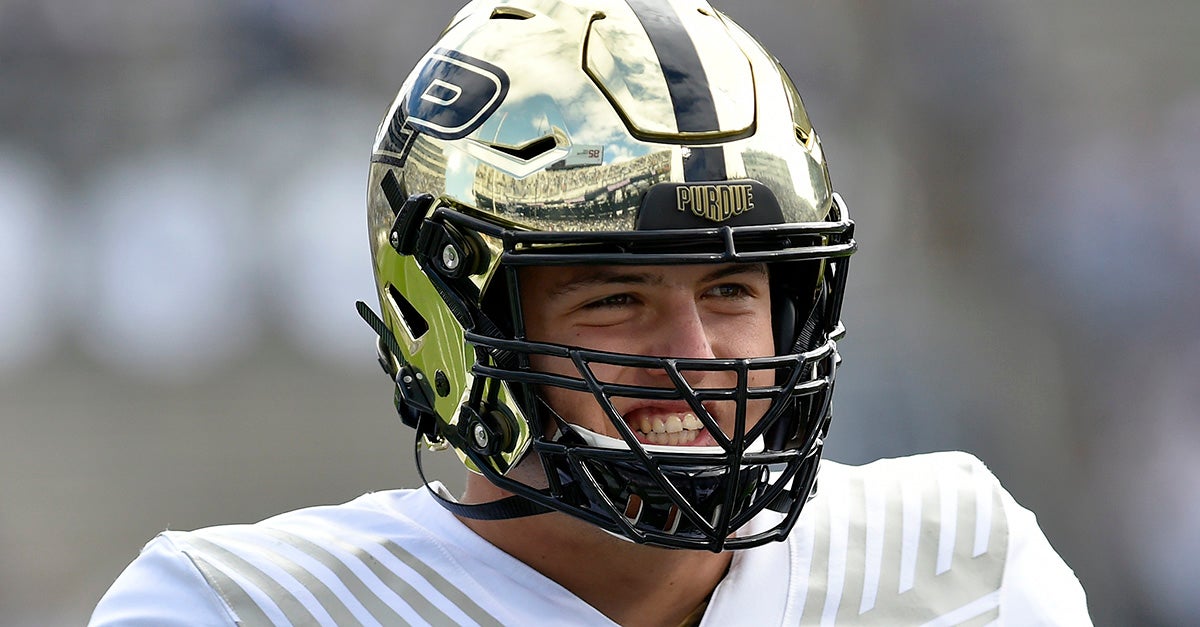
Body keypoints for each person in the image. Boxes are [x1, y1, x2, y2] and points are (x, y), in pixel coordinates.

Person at [90, 0, 1092, 624]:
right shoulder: (235, 611)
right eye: (616, 298)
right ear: (449, 320)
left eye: (733, 292)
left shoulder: (966, 560)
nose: (696, 355)